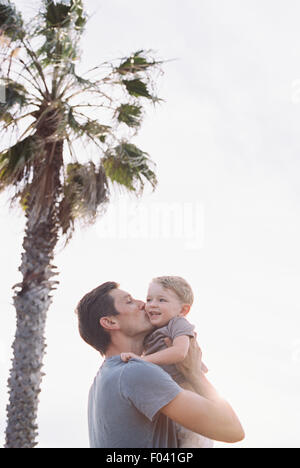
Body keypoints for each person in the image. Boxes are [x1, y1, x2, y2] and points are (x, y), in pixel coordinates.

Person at [76, 281, 245, 448]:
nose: (143, 304)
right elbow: (232, 430)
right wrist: (194, 373)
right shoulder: (135, 372)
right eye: (130, 301)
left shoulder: (102, 380)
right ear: (111, 322)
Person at [120, 276, 214, 448]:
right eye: (149, 299)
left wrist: (142, 360)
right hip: (171, 397)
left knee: (192, 441)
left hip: (189, 393)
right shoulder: (152, 331)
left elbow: (179, 352)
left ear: (183, 310)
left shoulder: (178, 324)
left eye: (162, 300)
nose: (152, 304)